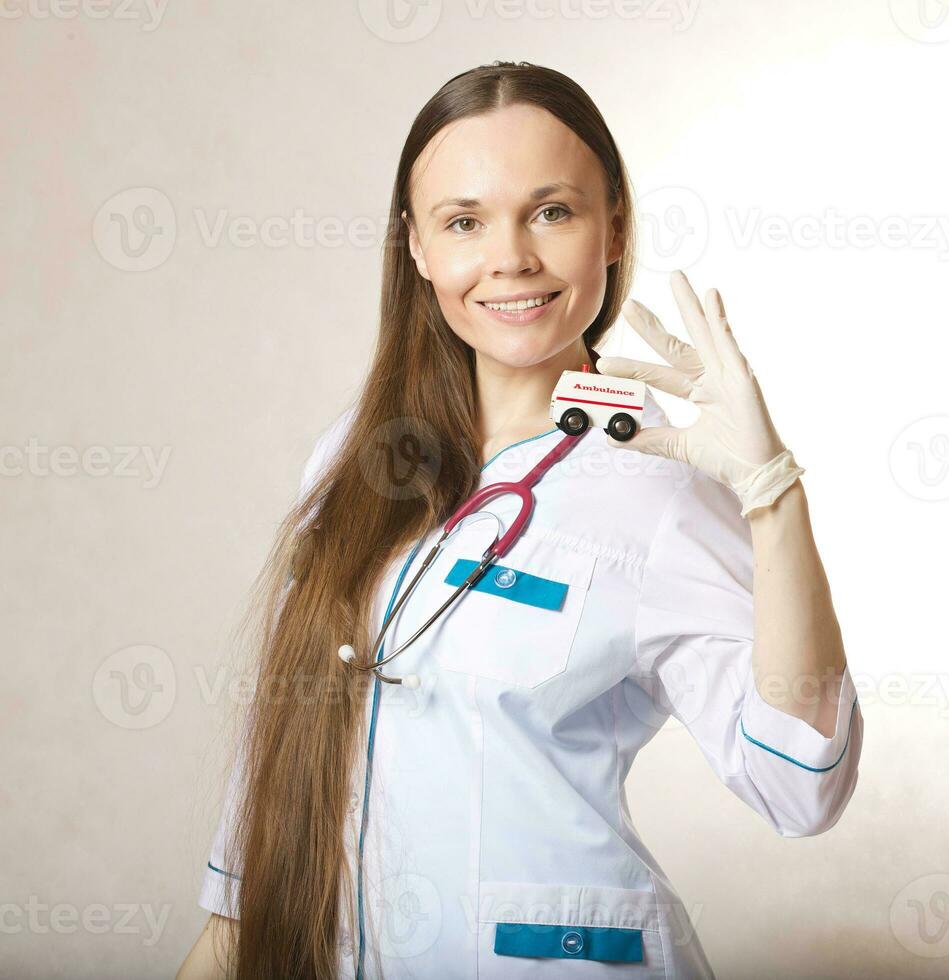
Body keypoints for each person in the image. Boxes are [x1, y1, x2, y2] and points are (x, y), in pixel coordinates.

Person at [176, 61, 862, 980]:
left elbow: (799, 785)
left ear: (613, 225)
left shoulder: (660, 486)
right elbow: (266, 817)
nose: (512, 259)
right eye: (464, 222)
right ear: (415, 247)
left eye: (552, 212)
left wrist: (773, 498)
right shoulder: (355, 456)